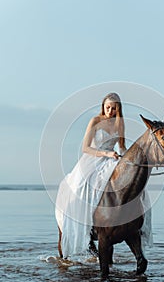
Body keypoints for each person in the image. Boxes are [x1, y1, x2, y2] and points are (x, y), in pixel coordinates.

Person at [55, 92, 152, 260]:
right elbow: (85, 148)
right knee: (80, 185)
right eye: (108, 107)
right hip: (92, 160)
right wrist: (105, 153)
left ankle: (131, 222)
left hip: (111, 160)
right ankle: (85, 223)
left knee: (129, 184)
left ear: (118, 109)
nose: (110, 111)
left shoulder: (119, 124)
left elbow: (122, 147)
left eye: (114, 108)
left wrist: (127, 160)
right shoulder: (95, 121)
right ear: (103, 107)